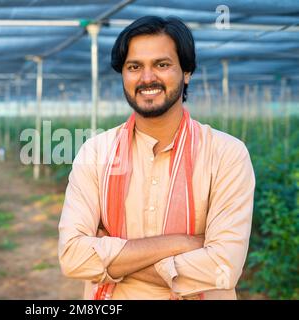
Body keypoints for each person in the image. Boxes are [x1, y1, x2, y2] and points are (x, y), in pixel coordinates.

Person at [58, 16, 255, 300]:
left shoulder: (227, 154)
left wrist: (111, 254)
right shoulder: (96, 152)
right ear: (123, 75)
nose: (147, 78)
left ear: (186, 71)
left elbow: (222, 268)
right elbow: (73, 257)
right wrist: (184, 243)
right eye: (134, 67)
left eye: (162, 65)